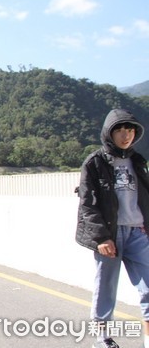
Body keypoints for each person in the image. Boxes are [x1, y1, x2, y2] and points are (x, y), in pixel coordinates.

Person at [76, 109, 149, 348]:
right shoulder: (94, 162)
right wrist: (101, 237)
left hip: (139, 231)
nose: (126, 135)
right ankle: (102, 338)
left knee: (148, 288)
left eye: (130, 130)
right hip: (111, 234)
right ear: (109, 132)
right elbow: (88, 204)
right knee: (106, 288)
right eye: (120, 130)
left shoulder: (138, 161)